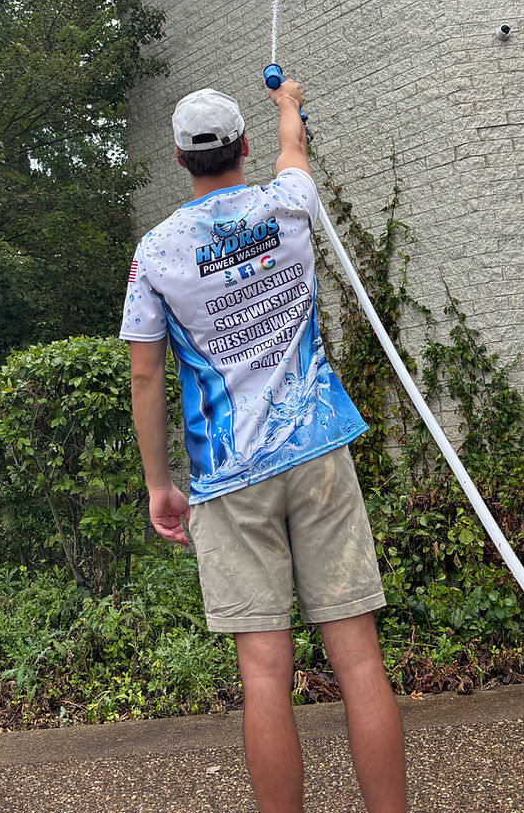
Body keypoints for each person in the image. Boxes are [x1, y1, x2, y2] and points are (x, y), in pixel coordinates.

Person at [121, 79, 406, 813]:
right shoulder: (286, 203)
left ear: (181, 158)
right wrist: (288, 108)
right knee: (361, 662)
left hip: (228, 475)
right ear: (241, 146)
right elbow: (295, 152)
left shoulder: (156, 253)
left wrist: (160, 482)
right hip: (317, 454)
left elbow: (146, 371)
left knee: (263, 674)